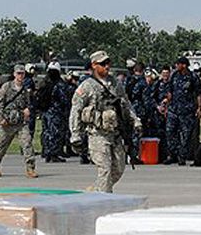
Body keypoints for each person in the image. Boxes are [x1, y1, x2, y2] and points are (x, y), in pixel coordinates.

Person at [69, 50, 140, 193]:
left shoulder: (115, 83)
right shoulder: (86, 86)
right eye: (103, 64)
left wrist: (135, 120)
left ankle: (95, 190)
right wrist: (75, 134)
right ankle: (104, 201)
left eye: (108, 63)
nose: (107, 66)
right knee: (105, 169)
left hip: (115, 133)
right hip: (97, 134)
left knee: (119, 169)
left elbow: (125, 103)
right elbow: (75, 110)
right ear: (94, 65)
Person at [0, 64, 38, 178]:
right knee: (1, 146)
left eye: (22, 73)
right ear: (14, 74)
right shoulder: (6, 87)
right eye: (18, 73)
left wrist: (28, 110)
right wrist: (0, 118)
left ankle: (30, 168)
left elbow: (29, 103)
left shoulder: (25, 89)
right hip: (7, 122)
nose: (20, 76)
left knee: (27, 144)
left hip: (21, 122)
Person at [163, 56, 201, 165]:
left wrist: (199, 108)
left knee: (185, 135)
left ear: (184, 65)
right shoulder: (174, 75)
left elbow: (198, 94)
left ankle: (182, 156)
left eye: (178, 64)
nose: (176, 66)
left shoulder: (193, 77)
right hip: (173, 110)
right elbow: (170, 92)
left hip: (187, 111)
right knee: (170, 132)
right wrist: (167, 105)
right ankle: (172, 155)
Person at [39, 61, 71, 163]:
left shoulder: (44, 82)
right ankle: (54, 154)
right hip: (56, 112)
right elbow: (64, 99)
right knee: (56, 132)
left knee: (47, 132)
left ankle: (47, 152)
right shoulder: (59, 84)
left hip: (45, 111)